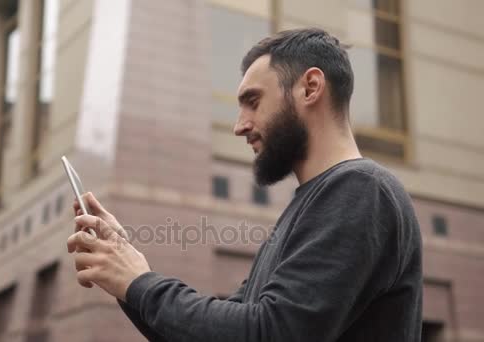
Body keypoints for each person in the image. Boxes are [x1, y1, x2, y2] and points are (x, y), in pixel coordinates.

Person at [67, 28, 422, 341]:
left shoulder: (360, 190)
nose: (239, 126)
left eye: (253, 102)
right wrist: (126, 269)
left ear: (310, 88)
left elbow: (267, 332)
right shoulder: (317, 203)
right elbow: (223, 330)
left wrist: (137, 282)